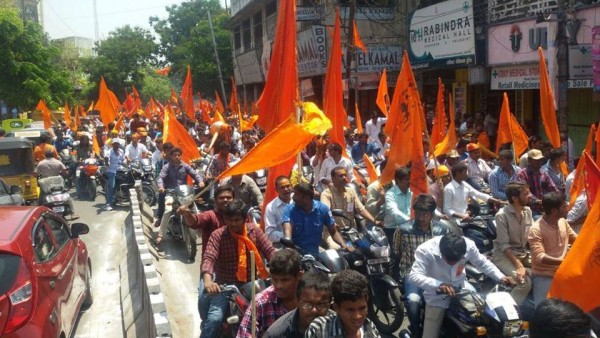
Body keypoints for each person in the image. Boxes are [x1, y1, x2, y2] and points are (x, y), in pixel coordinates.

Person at [408, 233, 513, 338]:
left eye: (456, 260)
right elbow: (414, 276)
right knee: (430, 335)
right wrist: (440, 285)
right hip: (436, 295)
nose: (453, 264)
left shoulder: (469, 245)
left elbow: (482, 263)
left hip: (462, 288)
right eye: (449, 260)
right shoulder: (426, 250)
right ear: (442, 253)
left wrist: (500, 277)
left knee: (483, 320)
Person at [200, 200, 276, 338]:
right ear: (225, 219)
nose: (233, 224)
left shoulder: (255, 231)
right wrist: (208, 281)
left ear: (245, 218)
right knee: (214, 319)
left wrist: (283, 266)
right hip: (226, 287)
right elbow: (209, 258)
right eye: (230, 220)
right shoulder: (218, 235)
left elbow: (270, 251)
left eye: (237, 220)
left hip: (254, 284)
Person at [392, 194, 449, 337]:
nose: (421, 217)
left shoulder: (442, 230)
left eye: (425, 214)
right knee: (413, 301)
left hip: (436, 274)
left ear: (432, 214)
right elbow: (396, 252)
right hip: (412, 275)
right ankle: (416, 332)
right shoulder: (403, 230)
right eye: (418, 213)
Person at [236, 249, 303, 338]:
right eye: (275, 280)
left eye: (285, 280)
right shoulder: (260, 302)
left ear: (299, 276)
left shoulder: (310, 299)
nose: (279, 286)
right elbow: (244, 333)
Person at [528, 192, 577, 308]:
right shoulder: (536, 229)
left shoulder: (562, 222)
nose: (568, 207)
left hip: (563, 272)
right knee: (545, 311)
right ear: (554, 211)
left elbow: (575, 239)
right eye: (564, 206)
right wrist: (564, 262)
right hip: (545, 275)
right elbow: (540, 258)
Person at [305, 270, 381, 338]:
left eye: (362, 308)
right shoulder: (319, 329)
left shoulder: (370, 327)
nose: (358, 316)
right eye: (350, 310)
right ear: (336, 308)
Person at [492, 181, 533, 305]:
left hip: (523, 253)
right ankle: (510, 312)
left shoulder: (528, 211)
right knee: (524, 282)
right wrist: (520, 267)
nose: (530, 195)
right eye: (526, 194)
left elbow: (531, 238)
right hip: (505, 256)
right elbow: (505, 246)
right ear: (514, 198)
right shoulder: (501, 216)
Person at [282, 182, 351, 256]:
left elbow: (333, 231)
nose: (293, 197)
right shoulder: (289, 210)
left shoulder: (322, 209)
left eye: (296, 195)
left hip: (314, 254)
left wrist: (344, 245)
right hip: (295, 254)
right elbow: (287, 233)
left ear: (306, 198)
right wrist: (288, 250)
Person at [155, 147, 204, 247]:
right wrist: (161, 186)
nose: (177, 157)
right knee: (168, 210)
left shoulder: (186, 166)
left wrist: (200, 181)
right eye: (175, 155)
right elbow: (161, 177)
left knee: (195, 209)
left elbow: (195, 174)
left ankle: (200, 230)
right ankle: (161, 235)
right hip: (172, 193)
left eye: (179, 155)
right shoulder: (167, 167)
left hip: (184, 194)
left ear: (181, 156)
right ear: (171, 156)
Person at [263, 271, 333, 338]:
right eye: (308, 304)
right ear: (298, 301)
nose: (314, 310)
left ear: (330, 304)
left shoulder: (339, 326)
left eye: (320, 305)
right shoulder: (276, 334)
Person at [516, 149, 558, 214]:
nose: (539, 162)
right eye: (536, 160)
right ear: (529, 160)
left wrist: (558, 197)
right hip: (529, 209)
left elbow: (552, 187)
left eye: (540, 160)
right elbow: (526, 194)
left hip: (545, 207)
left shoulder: (543, 173)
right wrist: (539, 201)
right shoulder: (522, 174)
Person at [265, 175, 293, 244]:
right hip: (282, 244)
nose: (286, 189)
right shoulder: (270, 207)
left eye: (288, 186)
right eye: (282, 187)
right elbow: (270, 234)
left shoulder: (299, 200)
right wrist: (288, 235)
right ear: (276, 190)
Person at [384, 167, 412, 235]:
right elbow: (394, 211)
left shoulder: (412, 192)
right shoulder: (390, 194)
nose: (410, 181)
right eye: (407, 179)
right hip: (393, 229)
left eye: (411, 179)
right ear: (398, 180)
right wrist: (410, 220)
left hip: (410, 227)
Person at [103, 139, 125, 211]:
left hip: (120, 169)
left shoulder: (121, 151)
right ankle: (108, 204)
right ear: (112, 145)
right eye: (115, 144)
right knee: (112, 186)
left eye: (117, 144)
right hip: (112, 170)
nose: (116, 145)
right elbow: (107, 161)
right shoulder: (109, 152)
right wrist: (106, 162)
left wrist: (126, 162)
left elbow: (123, 160)